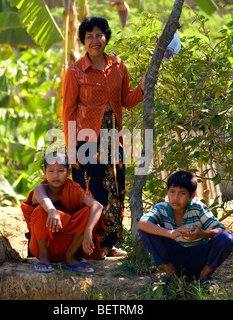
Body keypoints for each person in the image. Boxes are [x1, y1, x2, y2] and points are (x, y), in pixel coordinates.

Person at [63, 17, 148, 258]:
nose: (94, 40)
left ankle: (109, 244)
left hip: (114, 137)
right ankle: (87, 245)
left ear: (106, 38)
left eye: (98, 35)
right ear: (83, 41)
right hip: (85, 139)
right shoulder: (75, 71)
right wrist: (71, 149)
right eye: (89, 36)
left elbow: (127, 101)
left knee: (116, 187)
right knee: (89, 190)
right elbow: (68, 110)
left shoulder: (119, 67)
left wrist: (143, 85)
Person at [138, 171, 233, 289]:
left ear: (192, 195)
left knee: (227, 238)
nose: (175, 197)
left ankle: (204, 276)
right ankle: (170, 273)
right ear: (167, 192)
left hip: (198, 258)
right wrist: (170, 233)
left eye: (182, 193)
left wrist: (202, 234)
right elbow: (142, 223)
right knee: (146, 229)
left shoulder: (198, 207)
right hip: (175, 258)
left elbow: (219, 229)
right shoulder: (161, 208)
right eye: (172, 192)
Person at [21, 152, 104, 273]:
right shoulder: (40, 188)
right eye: (51, 171)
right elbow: (44, 200)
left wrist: (88, 230)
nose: (55, 175)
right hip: (41, 246)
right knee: (40, 210)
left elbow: (97, 206)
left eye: (60, 171)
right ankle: (44, 258)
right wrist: (51, 210)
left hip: (66, 244)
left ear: (68, 173)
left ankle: (69, 257)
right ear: (44, 173)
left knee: (87, 211)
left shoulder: (73, 189)